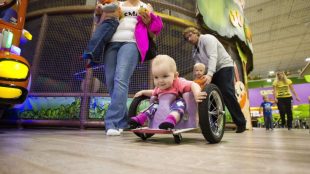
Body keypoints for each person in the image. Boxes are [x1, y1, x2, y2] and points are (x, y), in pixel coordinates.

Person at [102, 0, 163, 136]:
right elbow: (101, 22)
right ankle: (123, 121)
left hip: (132, 43)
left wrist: (148, 23)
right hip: (110, 43)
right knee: (111, 81)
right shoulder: (118, 4)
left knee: (121, 79)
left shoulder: (146, 6)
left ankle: (112, 122)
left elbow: (152, 34)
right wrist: (99, 13)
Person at [182, 27, 247, 133]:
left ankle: (241, 123)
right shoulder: (194, 50)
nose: (189, 39)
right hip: (211, 71)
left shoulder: (208, 39)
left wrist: (210, 74)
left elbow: (213, 56)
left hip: (224, 66)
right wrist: (199, 78)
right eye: (186, 38)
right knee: (210, 95)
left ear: (196, 33)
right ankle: (214, 125)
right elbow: (200, 66)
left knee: (227, 92)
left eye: (190, 35)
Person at [129, 55, 207, 130]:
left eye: (165, 76)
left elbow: (193, 84)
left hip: (176, 103)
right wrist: (143, 92)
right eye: (156, 77)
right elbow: (153, 92)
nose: (160, 81)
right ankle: (140, 118)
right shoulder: (159, 87)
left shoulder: (178, 82)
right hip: (161, 106)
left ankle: (171, 120)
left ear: (175, 76)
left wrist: (197, 94)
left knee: (178, 108)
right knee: (153, 107)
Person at [82, 0, 121, 68]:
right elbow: (97, 20)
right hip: (104, 24)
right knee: (98, 39)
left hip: (111, 22)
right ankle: (95, 60)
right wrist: (97, 13)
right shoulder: (102, 5)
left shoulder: (114, 2)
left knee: (98, 38)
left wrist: (102, 7)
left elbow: (114, 6)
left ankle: (89, 53)